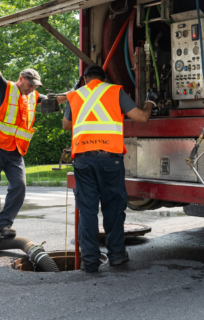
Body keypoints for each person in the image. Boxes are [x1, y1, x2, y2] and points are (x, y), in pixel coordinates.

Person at [63, 65, 157, 272]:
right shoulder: (114, 91)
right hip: (110, 160)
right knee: (113, 209)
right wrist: (150, 102)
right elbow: (142, 117)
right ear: (103, 79)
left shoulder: (75, 95)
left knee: (87, 211)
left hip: (83, 160)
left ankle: (89, 261)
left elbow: (66, 125)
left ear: (85, 79)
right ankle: (116, 256)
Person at [0, 26, 66, 242]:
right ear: (21, 78)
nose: (32, 88)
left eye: (35, 86)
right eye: (30, 84)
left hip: (15, 150)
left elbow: (53, 101)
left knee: (19, 185)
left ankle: (4, 224)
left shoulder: (32, 97)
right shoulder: (4, 88)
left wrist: (76, 93)